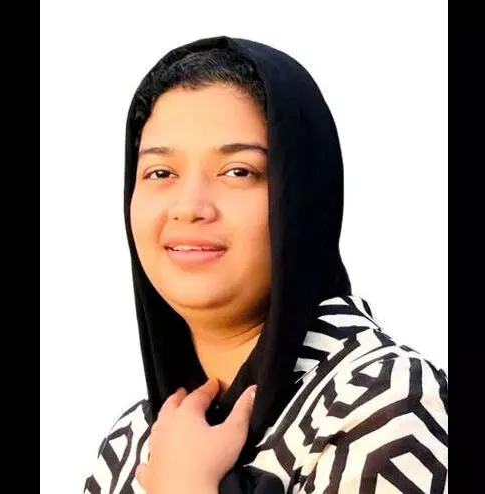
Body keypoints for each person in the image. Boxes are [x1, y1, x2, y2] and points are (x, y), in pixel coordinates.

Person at [84, 35, 447, 494]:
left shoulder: (389, 401)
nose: (189, 207)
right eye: (160, 173)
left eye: (239, 172)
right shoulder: (135, 442)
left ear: (302, 197)